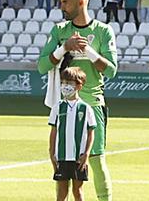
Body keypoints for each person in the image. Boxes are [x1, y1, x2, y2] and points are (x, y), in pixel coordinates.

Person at [37, 0, 118, 201]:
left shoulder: (102, 31)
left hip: (92, 104)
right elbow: (42, 66)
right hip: (64, 108)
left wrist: (88, 51)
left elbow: (111, 71)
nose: (61, 6)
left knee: (96, 160)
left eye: (65, 2)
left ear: (81, 2)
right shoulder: (59, 31)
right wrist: (64, 48)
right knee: (64, 162)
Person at [49, 67, 96, 201]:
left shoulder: (86, 108)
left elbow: (91, 132)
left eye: (69, 83)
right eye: (63, 83)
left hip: (78, 158)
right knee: (62, 191)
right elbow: (53, 131)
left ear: (79, 85)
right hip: (62, 156)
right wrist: (52, 152)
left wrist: (86, 154)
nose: (65, 86)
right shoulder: (57, 107)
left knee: (78, 190)